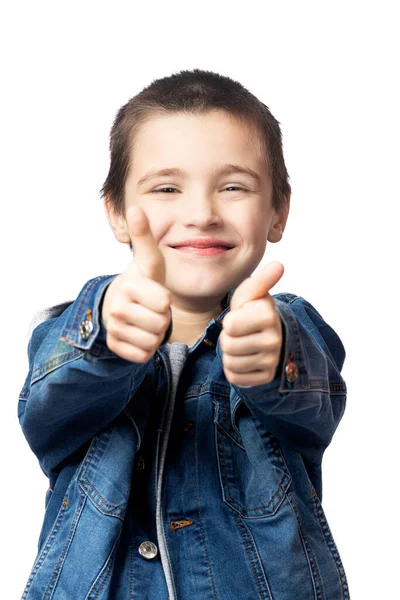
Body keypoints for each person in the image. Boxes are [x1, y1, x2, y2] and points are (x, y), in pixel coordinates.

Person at [18, 69, 350, 599]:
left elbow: (312, 397)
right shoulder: (71, 331)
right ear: (118, 214)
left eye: (234, 186)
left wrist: (273, 353)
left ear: (278, 210)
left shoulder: (291, 328)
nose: (201, 214)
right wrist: (104, 332)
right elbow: (49, 404)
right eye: (167, 188)